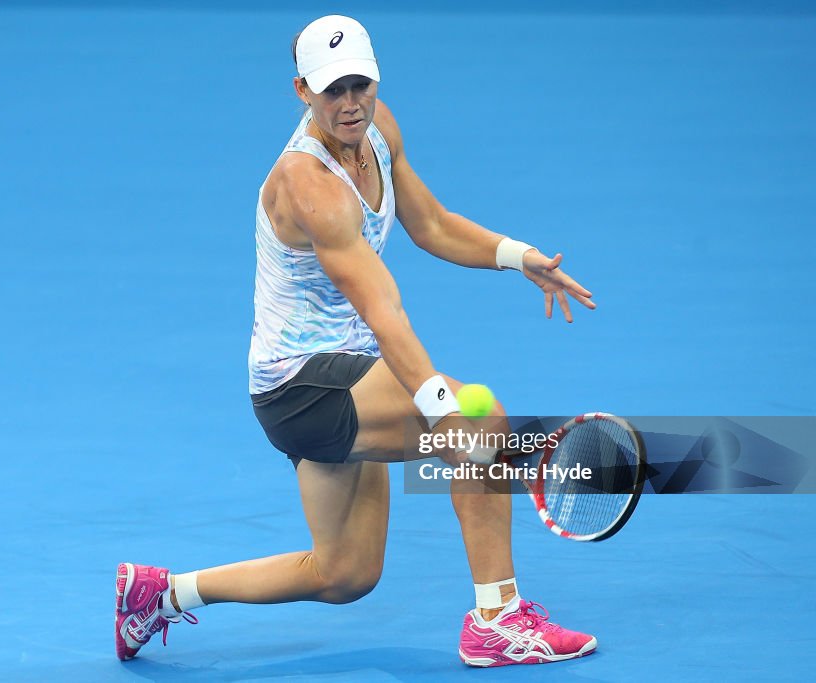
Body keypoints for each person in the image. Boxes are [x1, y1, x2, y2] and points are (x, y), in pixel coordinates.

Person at [115, 15, 598, 667]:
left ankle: (160, 594)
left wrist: (517, 255)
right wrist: (439, 404)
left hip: (345, 374)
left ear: (375, 78)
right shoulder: (308, 184)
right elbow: (383, 309)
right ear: (301, 91)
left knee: (344, 572)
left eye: (359, 85)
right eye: (332, 89)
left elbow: (430, 222)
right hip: (301, 387)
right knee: (480, 418)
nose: (349, 103)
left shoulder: (378, 126)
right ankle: (498, 619)